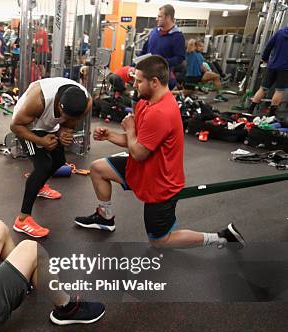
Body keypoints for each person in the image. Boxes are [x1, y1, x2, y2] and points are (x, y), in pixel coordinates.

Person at [74, 56, 245, 249]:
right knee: (98, 169)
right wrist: (109, 135)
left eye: (139, 81)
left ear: (154, 82)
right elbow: (137, 141)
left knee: (160, 241)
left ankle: (222, 237)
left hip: (161, 183)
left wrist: (129, 130)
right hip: (143, 168)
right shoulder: (146, 103)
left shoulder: (161, 112)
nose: (134, 85)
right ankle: (105, 217)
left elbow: (138, 151)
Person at [11, 78, 92, 238]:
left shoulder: (86, 102)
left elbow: (70, 123)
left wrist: (64, 133)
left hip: (49, 126)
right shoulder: (38, 101)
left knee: (59, 162)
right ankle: (22, 219)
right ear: (59, 105)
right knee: (43, 165)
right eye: (64, 115)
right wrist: (41, 141)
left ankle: (39, 186)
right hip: (27, 127)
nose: (68, 119)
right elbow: (15, 127)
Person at [139, 4, 186, 90]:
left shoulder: (177, 36)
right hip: (147, 74)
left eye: (160, 16)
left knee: (157, 102)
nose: (157, 19)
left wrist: (161, 63)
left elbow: (180, 58)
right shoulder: (154, 32)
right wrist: (136, 63)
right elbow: (144, 50)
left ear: (168, 17)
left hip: (162, 78)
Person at [248, 25, 288, 117]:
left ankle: (250, 110)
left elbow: (268, 46)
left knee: (263, 88)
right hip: (285, 68)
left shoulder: (280, 32)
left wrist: (265, 58)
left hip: (272, 65)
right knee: (279, 91)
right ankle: (271, 115)